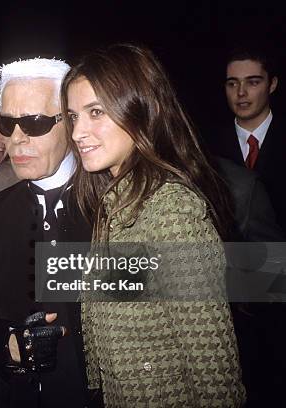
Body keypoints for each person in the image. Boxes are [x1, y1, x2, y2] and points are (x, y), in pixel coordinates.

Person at [63, 43, 245, 406]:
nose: (77, 132)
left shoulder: (170, 209)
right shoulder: (114, 203)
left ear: (139, 109)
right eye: (72, 116)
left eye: (95, 112)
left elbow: (212, 364)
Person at [0, 58, 96, 407]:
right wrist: (7, 342)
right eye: (7, 123)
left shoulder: (116, 203)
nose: (15, 140)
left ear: (71, 122)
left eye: (34, 123)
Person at [210, 47, 284, 230]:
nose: (241, 92)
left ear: (272, 84)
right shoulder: (207, 145)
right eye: (232, 84)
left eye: (253, 82)